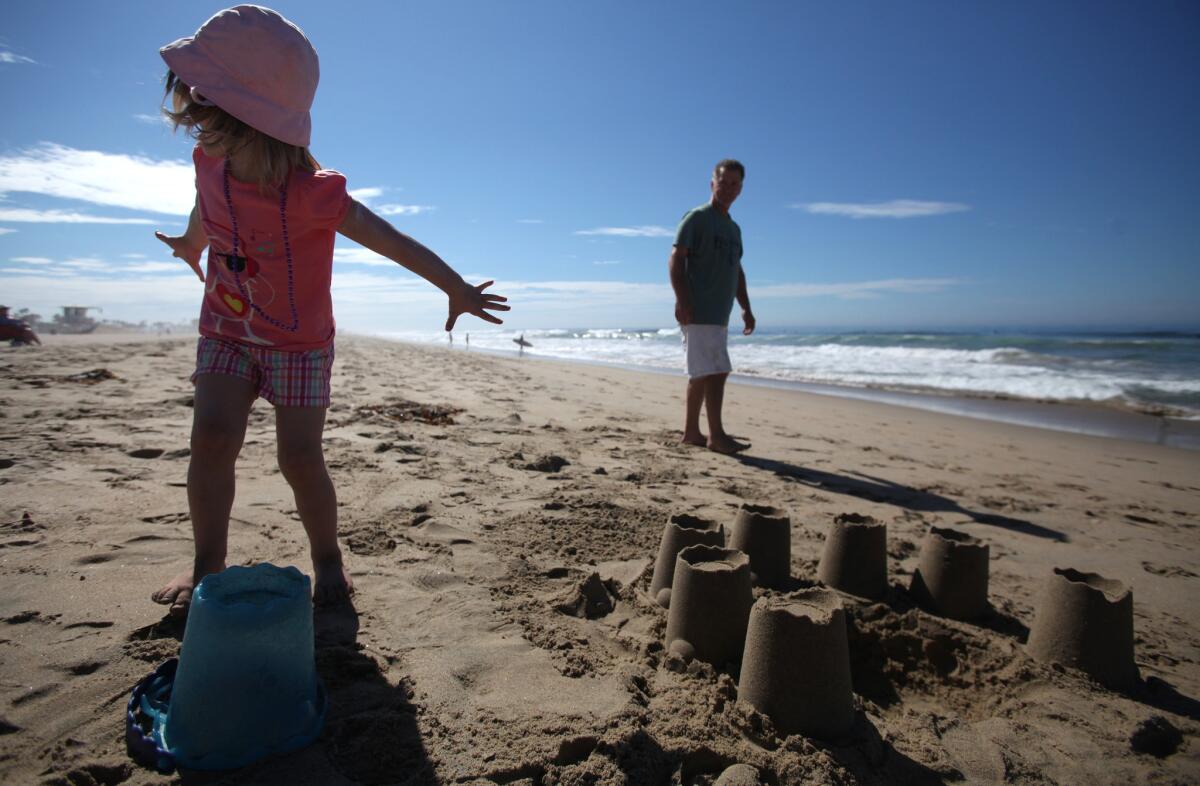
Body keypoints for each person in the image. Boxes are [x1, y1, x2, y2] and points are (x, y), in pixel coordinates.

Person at [150, 6, 508, 616]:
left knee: (298, 458)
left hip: (300, 344)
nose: (194, 124)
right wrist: (194, 242)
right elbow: (204, 203)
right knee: (211, 437)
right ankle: (206, 567)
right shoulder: (208, 159)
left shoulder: (314, 194)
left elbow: (394, 241)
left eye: (204, 109)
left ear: (246, 120)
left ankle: (327, 559)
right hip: (226, 330)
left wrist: (455, 288)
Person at [667, 159, 755, 454]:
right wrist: (683, 300)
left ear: (741, 189)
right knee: (712, 372)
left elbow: (737, 271)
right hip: (699, 308)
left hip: (720, 314)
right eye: (723, 182)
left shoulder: (734, 229)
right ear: (712, 184)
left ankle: (693, 432)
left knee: (708, 371)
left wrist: (745, 307)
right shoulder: (697, 218)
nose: (728, 189)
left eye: (734, 184)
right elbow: (676, 259)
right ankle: (715, 436)